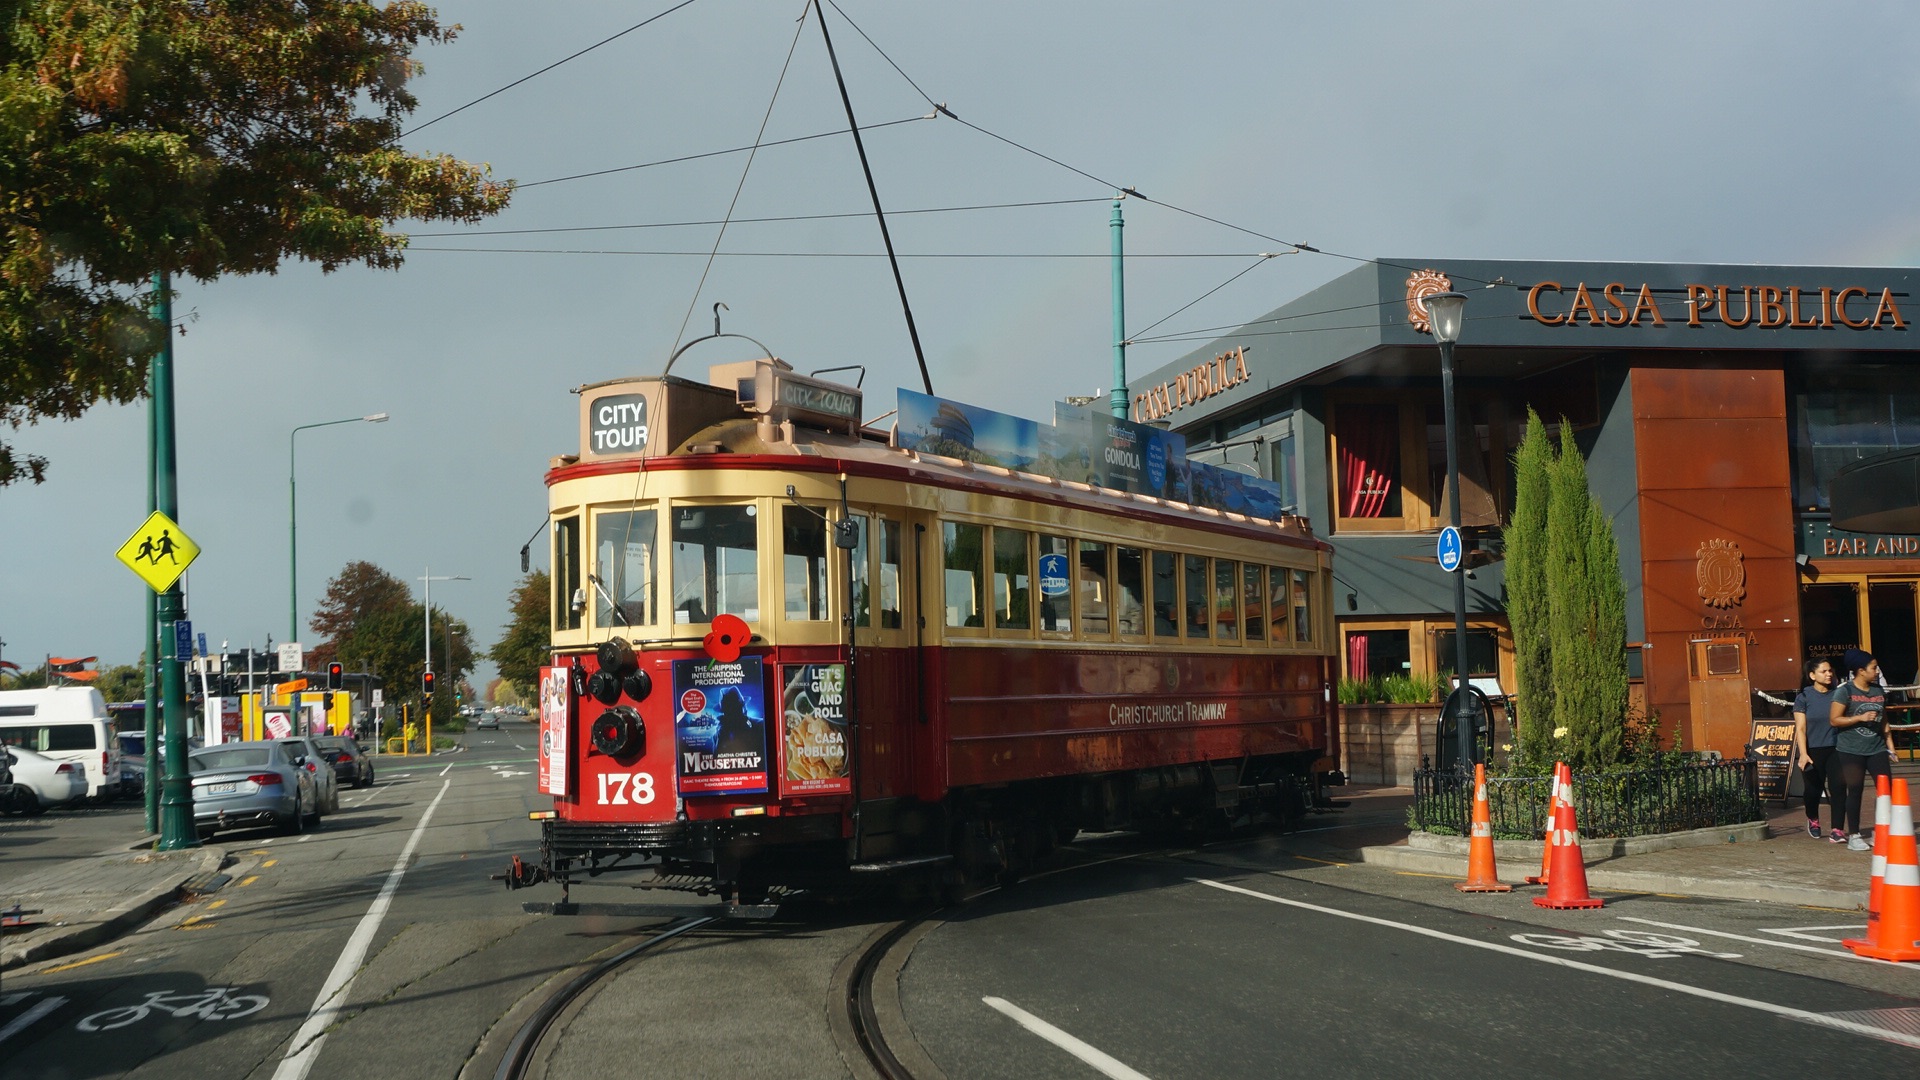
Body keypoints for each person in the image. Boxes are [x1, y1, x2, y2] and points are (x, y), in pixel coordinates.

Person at [1830, 648, 1894, 851]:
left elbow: (1884, 720)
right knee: (1855, 790)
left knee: (1885, 790)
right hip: (1850, 750)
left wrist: (1890, 746)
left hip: (1876, 748)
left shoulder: (1878, 691)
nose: (1877, 671)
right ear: (1860, 670)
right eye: (1873, 668)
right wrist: (1859, 718)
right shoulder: (1845, 691)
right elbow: (1834, 719)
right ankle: (1854, 835)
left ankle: (1881, 831)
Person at [1792, 659, 1842, 841]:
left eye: (1830, 670)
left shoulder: (1838, 695)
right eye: (1823, 671)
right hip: (1813, 750)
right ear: (1812, 675)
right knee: (1813, 791)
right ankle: (1813, 818)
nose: (1829, 674)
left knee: (1838, 788)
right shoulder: (1803, 697)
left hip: (1835, 748)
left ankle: (1837, 829)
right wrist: (1803, 754)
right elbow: (1801, 728)